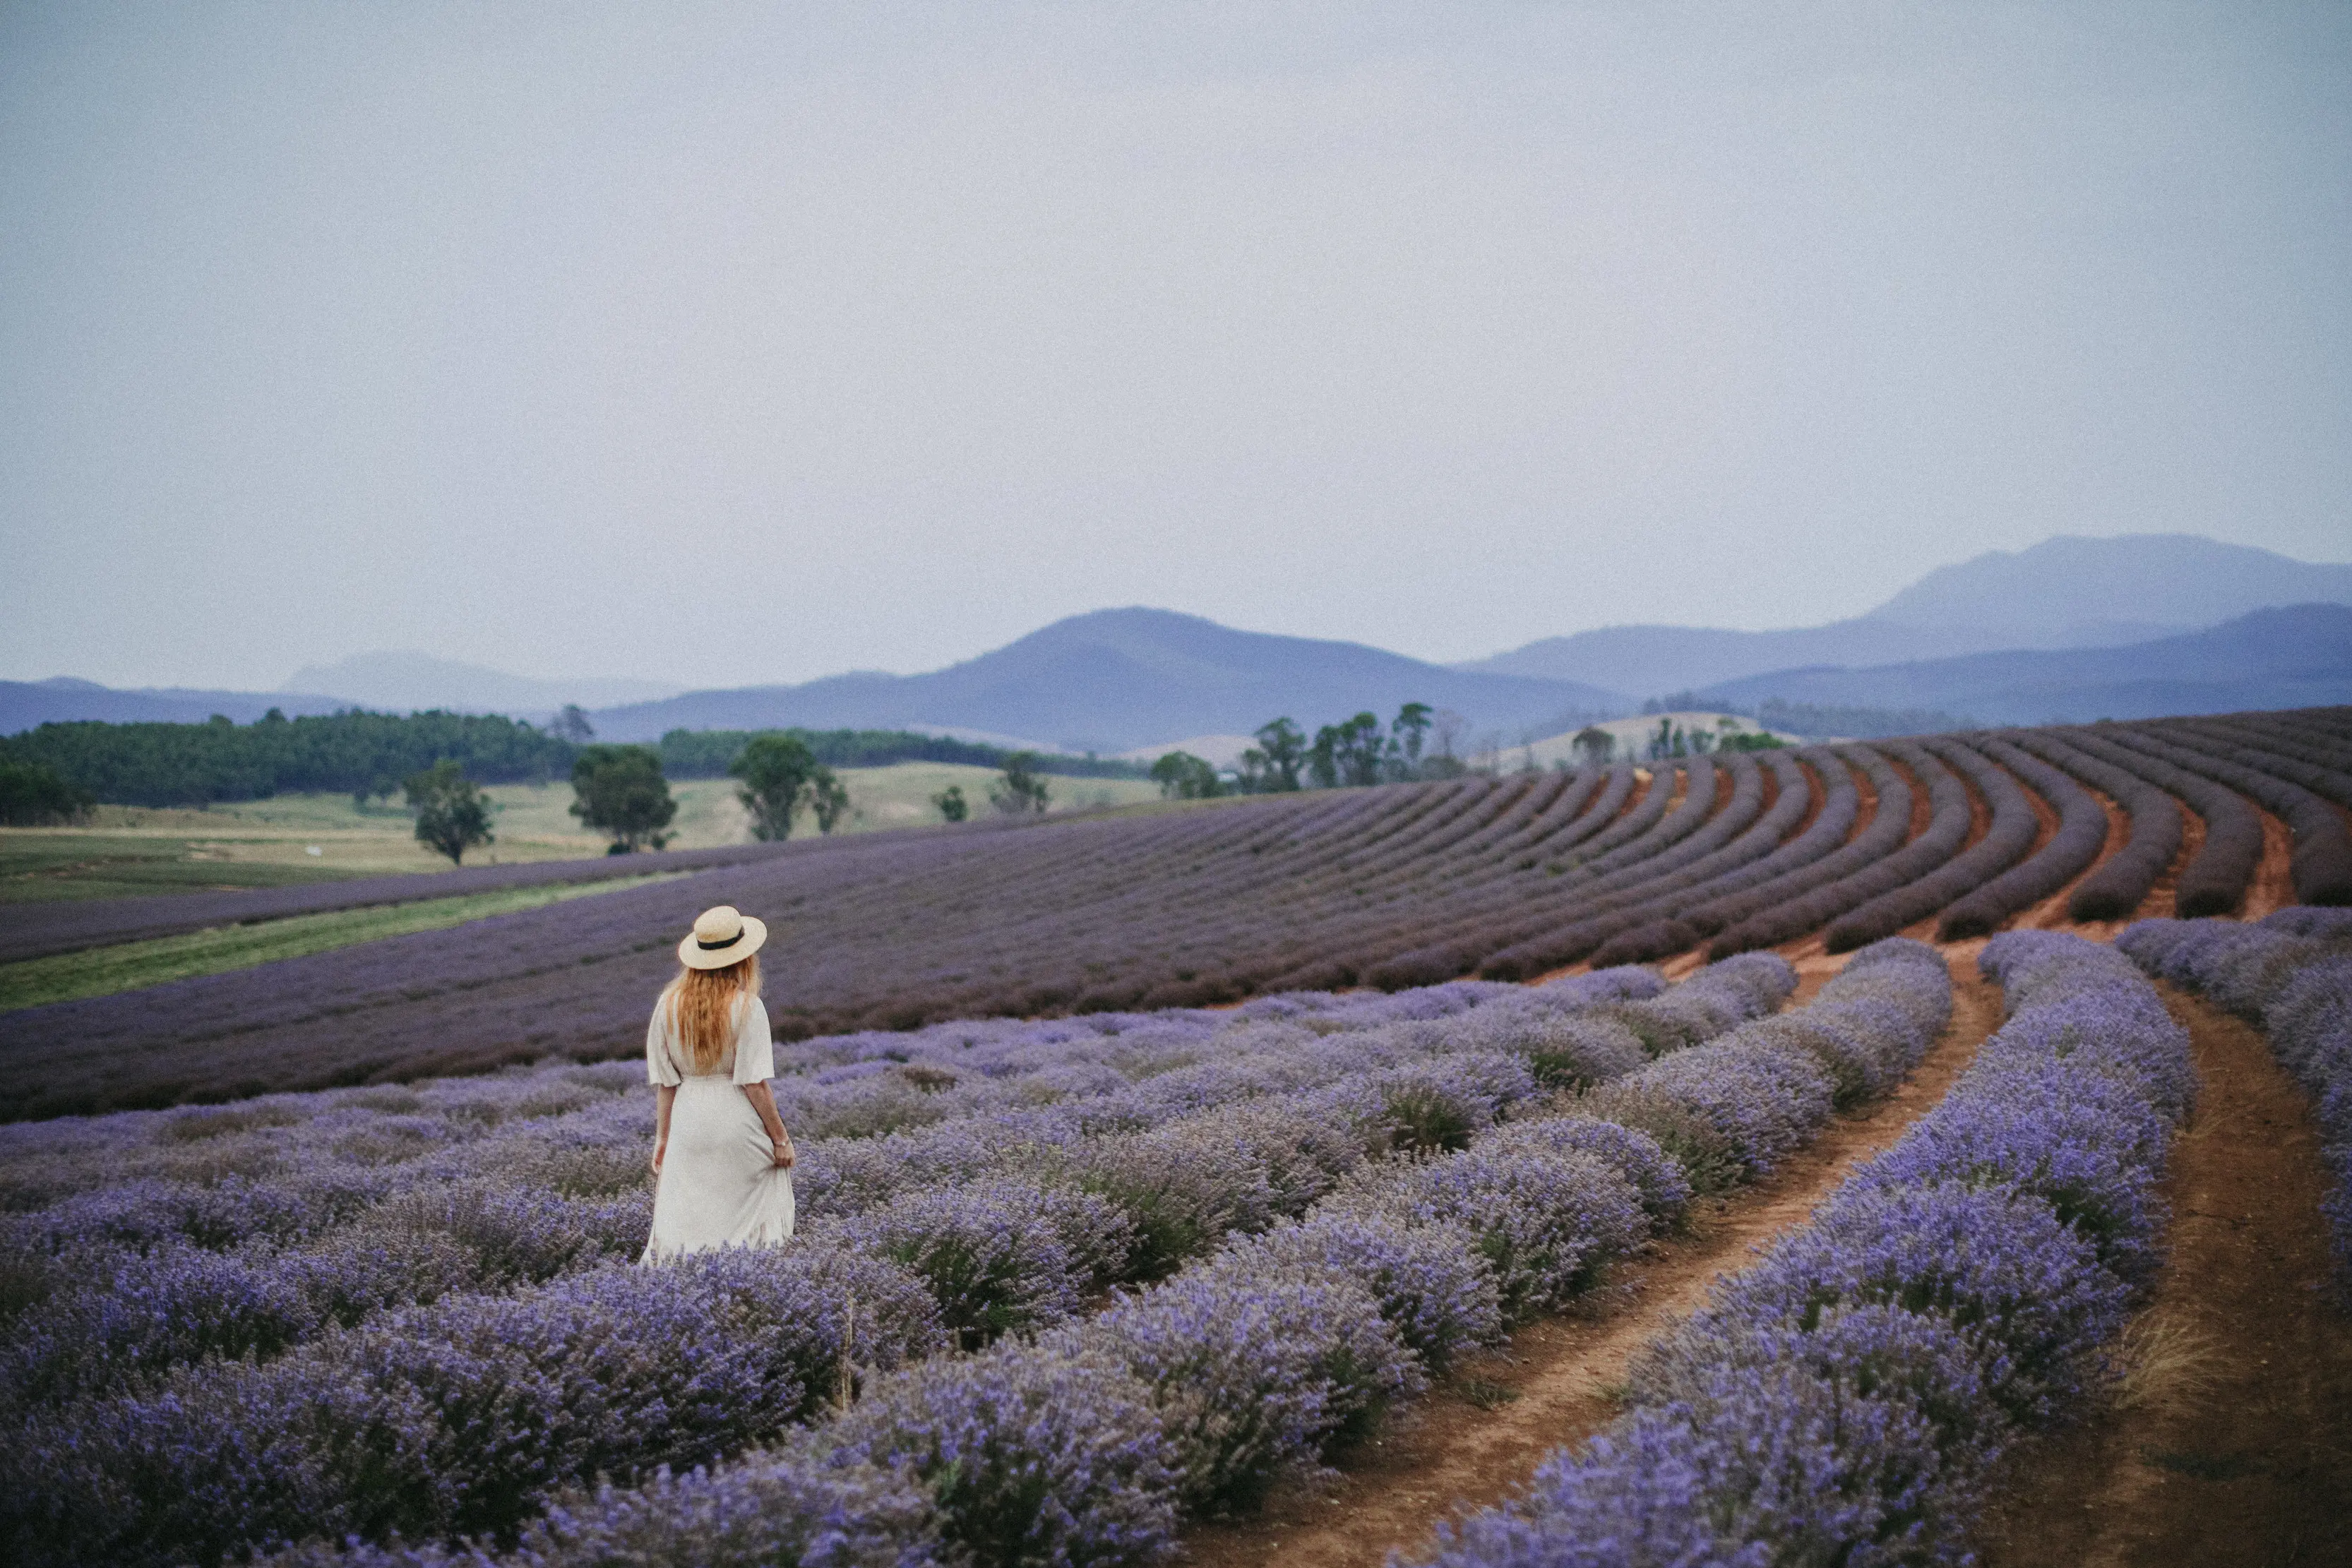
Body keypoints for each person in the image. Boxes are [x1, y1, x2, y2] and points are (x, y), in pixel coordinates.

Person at [640, 904, 796, 1263]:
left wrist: (663, 1139)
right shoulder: (747, 1007)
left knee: (685, 1219)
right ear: (742, 959)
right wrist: (780, 1139)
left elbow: (666, 1085)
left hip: (687, 1121)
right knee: (751, 1216)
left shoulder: (667, 1006)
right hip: (735, 1122)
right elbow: (754, 1085)